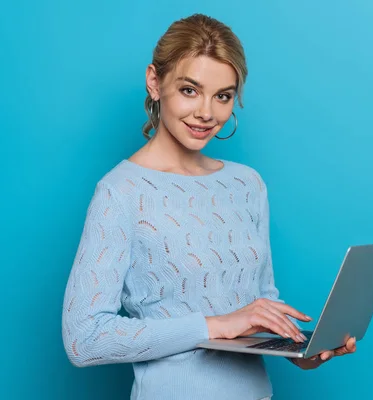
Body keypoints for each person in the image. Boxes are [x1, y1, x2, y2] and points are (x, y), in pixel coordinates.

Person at [61, 13, 356, 400]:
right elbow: (85, 338)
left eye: (223, 96)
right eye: (189, 90)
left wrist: (297, 350)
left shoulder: (246, 183)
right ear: (155, 82)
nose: (206, 113)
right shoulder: (121, 191)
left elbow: (259, 303)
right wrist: (214, 325)